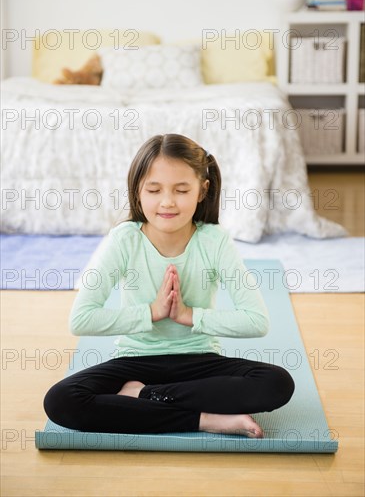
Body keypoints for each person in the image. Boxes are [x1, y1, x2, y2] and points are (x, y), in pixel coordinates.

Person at [43, 133, 295, 438]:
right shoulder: (124, 240)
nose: (167, 202)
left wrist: (190, 316)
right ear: (138, 192)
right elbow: (81, 319)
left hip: (199, 361)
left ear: (202, 191)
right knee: (61, 400)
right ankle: (206, 420)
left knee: (276, 383)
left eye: (181, 190)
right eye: (154, 189)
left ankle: (143, 396)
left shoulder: (214, 241)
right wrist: (151, 312)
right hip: (134, 361)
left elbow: (256, 321)